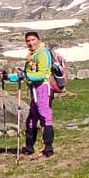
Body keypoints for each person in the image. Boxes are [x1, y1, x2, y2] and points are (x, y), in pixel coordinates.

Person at [18, 30, 54, 158]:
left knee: (45, 116)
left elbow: (42, 74)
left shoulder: (42, 54)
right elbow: (27, 74)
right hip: (34, 90)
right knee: (32, 118)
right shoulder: (32, 56)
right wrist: (8, 77)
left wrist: (26, 75)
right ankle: (29, 147)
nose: (30, 43)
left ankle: (48, 148)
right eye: (28, 41)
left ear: (38, 40)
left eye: (33, 40)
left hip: (43, 88)